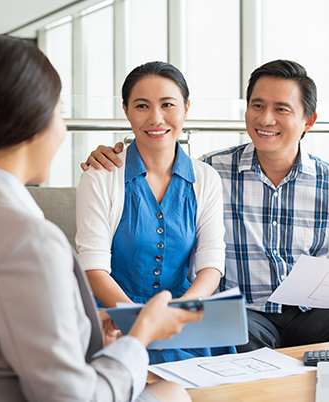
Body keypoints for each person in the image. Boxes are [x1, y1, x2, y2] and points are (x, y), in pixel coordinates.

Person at [0, 35, 199, 402]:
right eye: (59, 111)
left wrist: (88, 332)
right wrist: (141, 334)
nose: (62, 128)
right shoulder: (27, 241)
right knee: (173, 394)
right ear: (32, 122)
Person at [83, 59, 329, 352]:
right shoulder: (211, 172)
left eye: (281, 109)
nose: (266, 119)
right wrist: (110, 153)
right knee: (232, 337)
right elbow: (156, 160)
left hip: (315, 316)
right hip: (248, 316)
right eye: (257, 105)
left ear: (309, 120)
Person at [76, 61, 232, 364]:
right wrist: (145, 322)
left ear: (186, 107)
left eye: (168, 104)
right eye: (142, 106)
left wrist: (180, 312)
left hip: (182, 315)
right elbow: (93, 268)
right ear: (126, 110)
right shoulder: (100, 175)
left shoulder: (206, 178)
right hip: (114, 317)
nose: (155, 118)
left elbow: (211, 264)